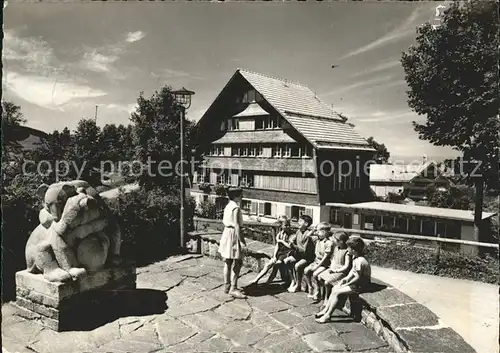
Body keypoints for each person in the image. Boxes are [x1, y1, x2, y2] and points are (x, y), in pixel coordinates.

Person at [315, 237, 371, 323]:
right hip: (355, 283)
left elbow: (358, 278)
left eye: (348, 247)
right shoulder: (355, 257)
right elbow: (352, 272)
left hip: (361, 285)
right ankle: (325, 310)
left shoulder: (360, 261)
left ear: (353, 250)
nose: (347, 248)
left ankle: (328, 315)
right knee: (334, 288)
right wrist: (345, 279)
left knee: (337, 292)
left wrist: (346, 284)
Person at [247, 215, 294, 286]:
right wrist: (274, 256)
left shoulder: (291, 234)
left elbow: (289, 246)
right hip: (279, 253)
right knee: (269, 264)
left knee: (276, 266)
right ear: (281, 226)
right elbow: (277, 246)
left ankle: (268, 282)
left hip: (286, 253)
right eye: (285, 225)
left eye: (288, 225)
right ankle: (256, 280)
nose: (287, 227)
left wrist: (280, 241)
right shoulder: (280, 233)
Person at [218, 187, 247, 299]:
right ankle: (233, 288)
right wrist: (242, 241)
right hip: (233, 235)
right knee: (237, 262)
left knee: (228, 262)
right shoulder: (235, 207)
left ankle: (227, 285)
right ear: (235, 196)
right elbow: (237, 225)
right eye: (240, 195)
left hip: (226, 232)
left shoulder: (228, 205)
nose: (242, 196)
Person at [317, 231, 352, 306]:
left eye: (335, 239)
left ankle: (327, 297)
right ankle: (326, 294)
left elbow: (346, 266)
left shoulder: (347, 252)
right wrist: (331, 268)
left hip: (341, 271)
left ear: (341, 241)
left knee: (327, 282)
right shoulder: (336, 248)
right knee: (320, 277)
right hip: (334, 269)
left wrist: (336, 270)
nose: (333, 240)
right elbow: (333, 259)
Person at [303, 222, 333, 302]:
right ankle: (311, 287)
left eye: (318, 231)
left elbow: (325, 258)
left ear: (325, 232)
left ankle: (318, 290)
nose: (316, 233)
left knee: (315, 274)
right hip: (316, 261)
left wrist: (317, 266)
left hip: (324, 264)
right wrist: (314, 229)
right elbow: (307, 236)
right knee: (306, 270)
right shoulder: (317, 239)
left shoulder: (328, 243)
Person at [286, 214, 314, 293]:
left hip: (307, 256)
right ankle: (293, 281)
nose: (298, 222)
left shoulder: (307, 234)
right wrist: (292, 241)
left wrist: (294, 245)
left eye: (300, 221)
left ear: (306, 224)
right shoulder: (298, 231)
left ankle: (298, 285)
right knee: (287, 261)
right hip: (299, 254)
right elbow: (296, 243)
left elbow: (303, 249)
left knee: (297, 265)